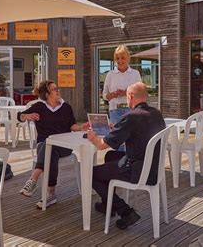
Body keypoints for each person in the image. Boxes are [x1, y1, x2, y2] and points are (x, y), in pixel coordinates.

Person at [88, 82, 165, 230]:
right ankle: (107, 204)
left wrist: (92, 137)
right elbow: (136, 133)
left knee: (91, 174)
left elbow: (102, 145)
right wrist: (116, 128)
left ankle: (125, 211)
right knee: (111, 156)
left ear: (130, 96)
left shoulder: (131, 116)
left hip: (137, 170)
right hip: (153, 167)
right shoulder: (156, 113)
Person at [17, 80, 89, 208]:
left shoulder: (66, 107)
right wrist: (27, 116)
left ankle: (34, 177)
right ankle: (51, 194)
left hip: (65, 146)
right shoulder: (39, 107)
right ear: (47, 94)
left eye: (57, 88)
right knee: (50, 147)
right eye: (55, 89)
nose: (58, 91)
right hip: (44, 146)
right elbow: (19, 116)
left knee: (51, 145)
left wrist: (81, 127)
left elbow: (72, 126)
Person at [103, 45, 142, 125]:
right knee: (116, 136)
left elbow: (140, 93)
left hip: (131, 110)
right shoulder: (110, 74)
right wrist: (110, 95)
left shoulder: (135, 74)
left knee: (131, 135)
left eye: (122, 58)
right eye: (117, 58)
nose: (120, 61)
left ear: (128, 58)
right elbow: (104, 95)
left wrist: (126, 93)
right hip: (114, 111)